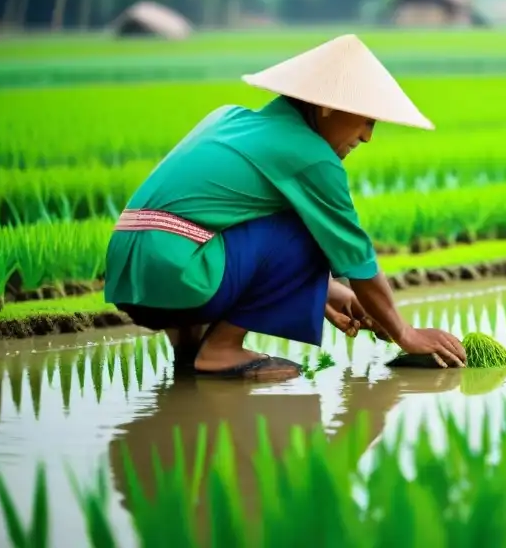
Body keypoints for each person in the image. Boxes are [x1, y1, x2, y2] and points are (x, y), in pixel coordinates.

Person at [104, 33, 467, 379]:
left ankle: (190, 348)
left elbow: (221, 220)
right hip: (180, 277)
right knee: (308, 227)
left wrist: (322, 289)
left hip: (129, 275)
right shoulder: (313, 158)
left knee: (243, 221)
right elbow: (356, 257)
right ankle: (221, 350)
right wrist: (404, 333)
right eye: (366, 120)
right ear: (327, 104)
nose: (367, 136)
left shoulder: (228, 117)